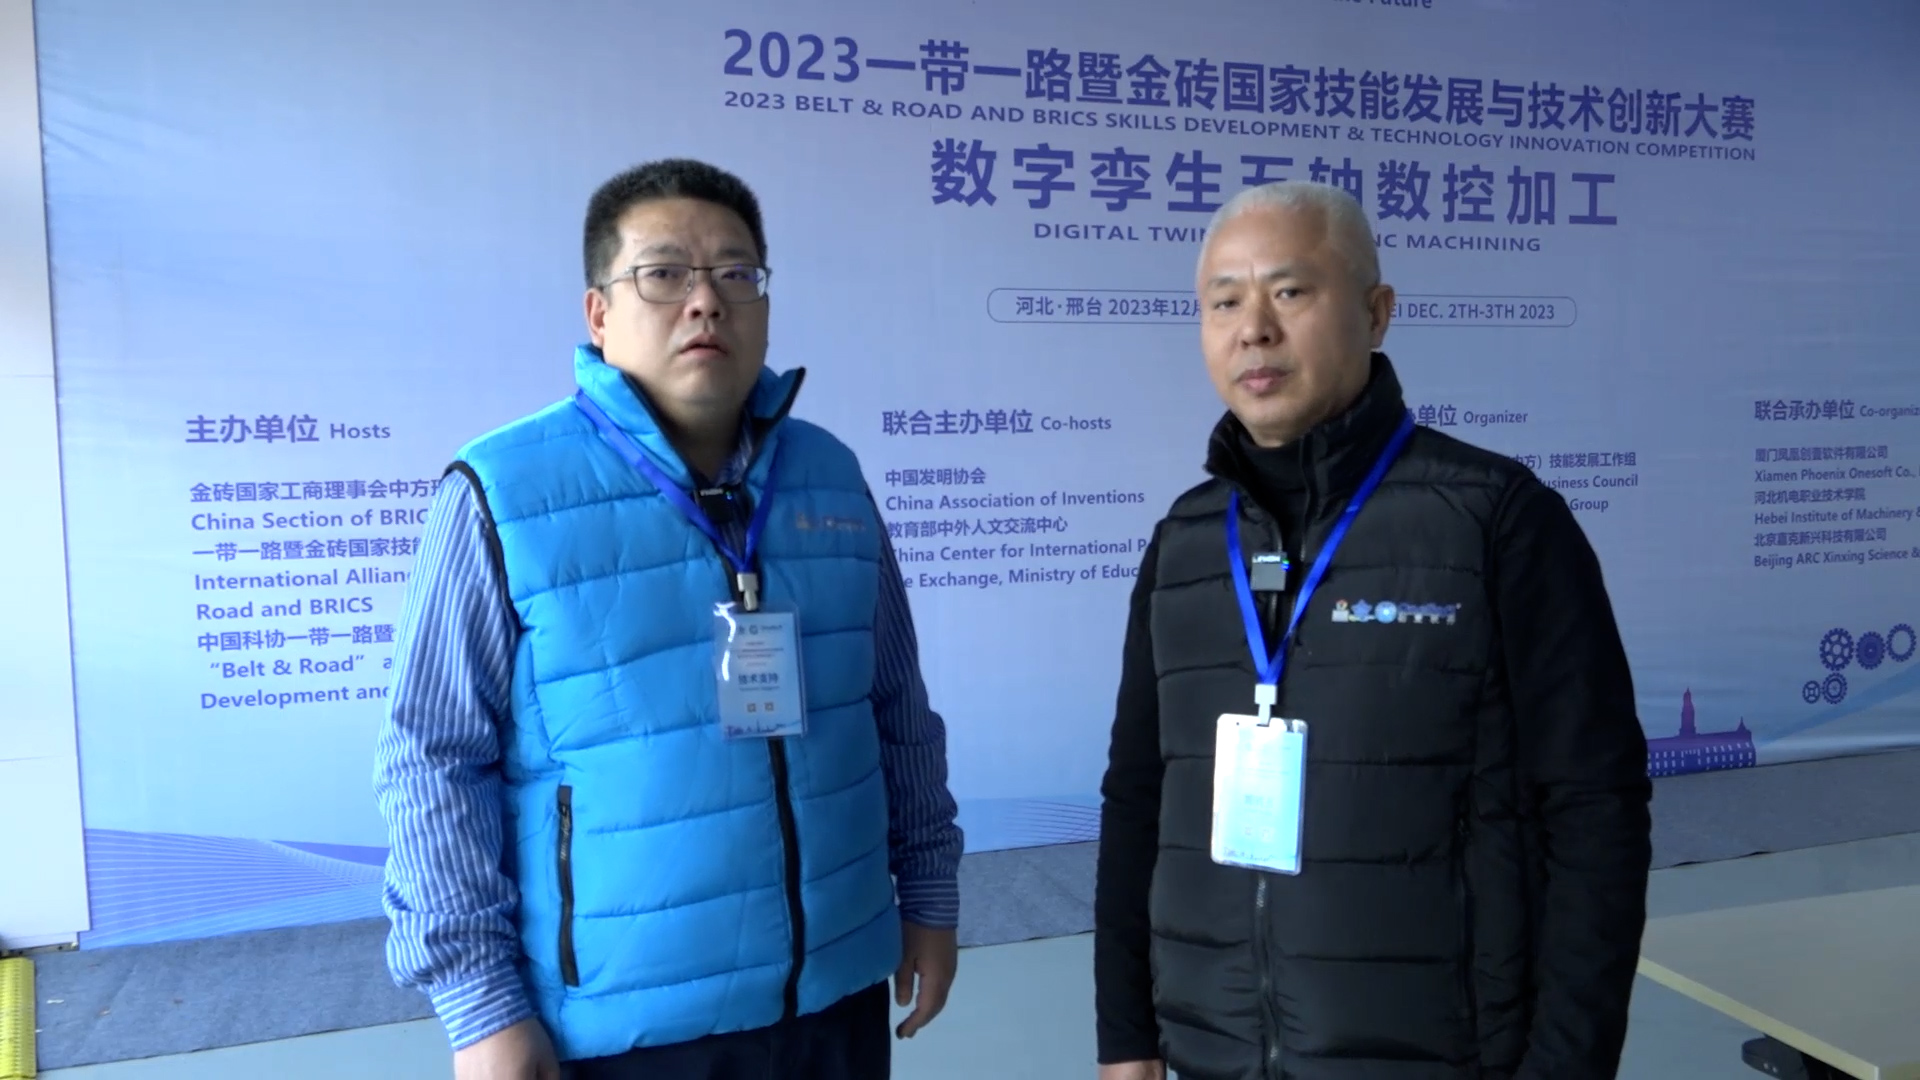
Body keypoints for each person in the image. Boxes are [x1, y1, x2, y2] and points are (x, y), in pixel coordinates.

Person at [374, 158, 963, 1080]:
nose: (706, 302)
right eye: (664, 274)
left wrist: (927, 892)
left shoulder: (831, 476)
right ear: (599, 313)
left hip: (837, 994)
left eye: (736, 273)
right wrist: (479, 1005)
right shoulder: (502, 491)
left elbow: (895, 709)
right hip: (630, 1026)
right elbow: (433, 758)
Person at [1092, 180, 1653, 1080]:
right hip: (1212, 1052)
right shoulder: (1187, 542)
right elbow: (1137, 798)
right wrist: (1125, 1034)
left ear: (1377, 311)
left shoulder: (1497, 520)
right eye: (1224, 302)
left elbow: (1594, 809)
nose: (1254, 330)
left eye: (1289, 291)